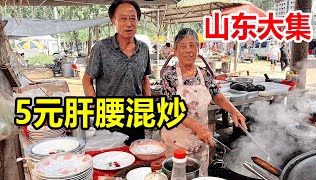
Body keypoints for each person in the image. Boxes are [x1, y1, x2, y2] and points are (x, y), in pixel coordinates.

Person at [160, 28, 246, 176]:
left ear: (198, 49)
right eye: (183, 46)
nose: (188, 50)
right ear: (175, 51)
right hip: (176, 142)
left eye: (192, 45)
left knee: (199, 175)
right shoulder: (169, 75)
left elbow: (217, 95)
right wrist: (198, 128)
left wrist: (234, 111)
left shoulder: (204, 73)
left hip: (201, 141)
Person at [82, 0, 151, 145]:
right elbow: (87, 79)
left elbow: (145, 80)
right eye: (123, 18)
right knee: (109, 159)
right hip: (109, 116)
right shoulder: (101, 48)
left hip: (136, 116)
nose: (129, 23)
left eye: (133, 18)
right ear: (113, 20)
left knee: (137, 157)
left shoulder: (143, 49)